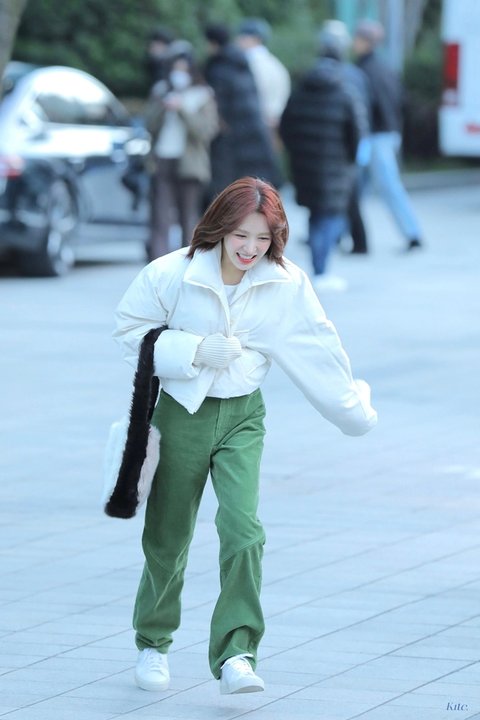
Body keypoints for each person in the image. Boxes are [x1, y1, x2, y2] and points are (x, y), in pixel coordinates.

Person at [113, 176, 378, 695]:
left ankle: (237, 654)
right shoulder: (173, 272)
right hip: (181, 414)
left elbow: (316, 345)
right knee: (168, 535)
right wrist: (191, 350)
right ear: (218, 227)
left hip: (243, 417)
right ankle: (153, 643)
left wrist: (354, 413)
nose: (250, 248)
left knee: (243, 529)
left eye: (262, 237)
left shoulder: (286, 282)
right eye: (240, 235)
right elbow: (128, 330)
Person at [280, 27, 368, 292]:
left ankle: (318, 266)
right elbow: (357, 132)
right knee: (332, 215)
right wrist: (351, 158)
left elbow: (285, 127)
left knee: (315, 213)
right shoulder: (345, 92)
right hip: (337, 166)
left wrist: (297, 154)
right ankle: (321, 268)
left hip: (305, 166)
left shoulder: (300, 90)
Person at [353, 19, 424, 252]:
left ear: (366, 41)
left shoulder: (365, 70)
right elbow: (402, 101)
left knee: (388, 186)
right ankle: (334, 232)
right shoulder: (385, 68)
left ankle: (413, 233)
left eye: (358, 38)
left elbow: (369, 105)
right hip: (387, 134)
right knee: (355, 189)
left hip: (376, 137)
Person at [143, 40, 219, 260]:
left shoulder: (203, 94)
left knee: (188, 216)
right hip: (162, 159)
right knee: (160, 216)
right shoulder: (160, 90)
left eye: (183, 67)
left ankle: (189, 262)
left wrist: (182, 108)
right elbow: (149, 125)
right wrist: (164, 106)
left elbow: (205, 131)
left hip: (190, 163)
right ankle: (158, 263)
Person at [203, 23, 282, 201]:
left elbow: (218, 108)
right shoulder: (243, 64)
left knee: (227, 194)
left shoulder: (220, 69)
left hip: (229, 141)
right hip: (254, 136)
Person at [235, 18, 291, 141]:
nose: (238, 40)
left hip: (254, 125)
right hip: (274, 124)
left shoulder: (250, 64)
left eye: (243, 37)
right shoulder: (276, 64)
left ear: (256, 39)